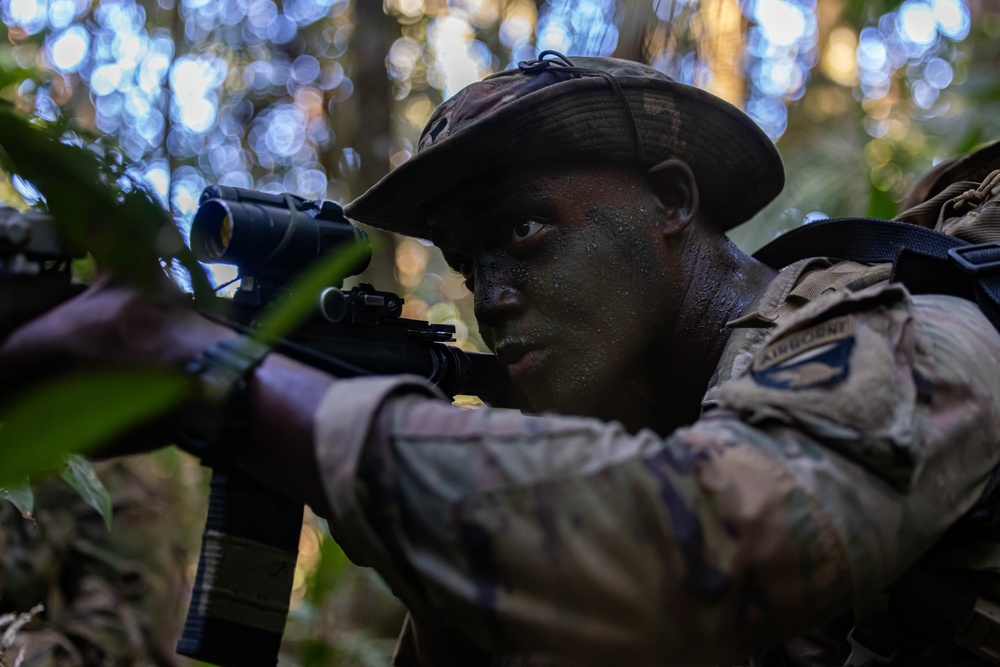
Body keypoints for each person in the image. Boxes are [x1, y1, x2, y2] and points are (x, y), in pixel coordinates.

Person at [3, 51, 1000, 666]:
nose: (490, 292)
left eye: (522, 231)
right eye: (467, 262)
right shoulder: (641, 431)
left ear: (672, 200)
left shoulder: (901, 331)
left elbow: (707, 545)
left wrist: (226, 382)